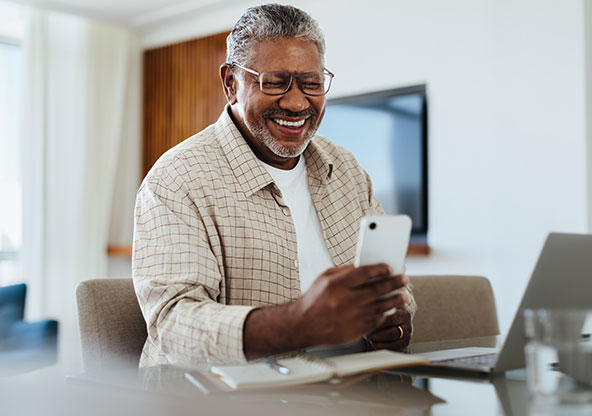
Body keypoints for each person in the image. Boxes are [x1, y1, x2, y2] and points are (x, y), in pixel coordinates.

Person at [133, 3, 416, 367]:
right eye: (275, 82)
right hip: (222, 400)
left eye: (311, 83)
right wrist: (297, 324)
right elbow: (173, 325)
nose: (297, 102)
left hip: (351, 391)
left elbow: (401, 290)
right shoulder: (177, 179)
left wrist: (394, 320)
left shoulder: (346, 169)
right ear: (231, 84)